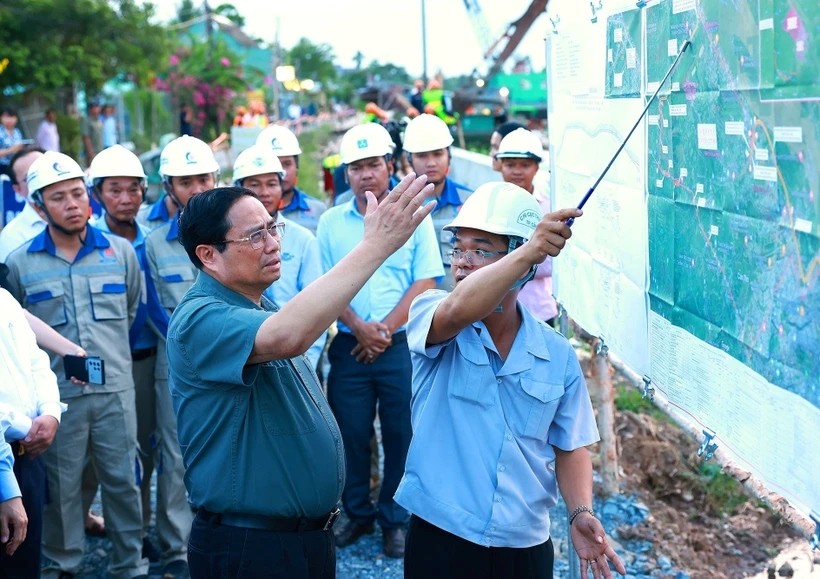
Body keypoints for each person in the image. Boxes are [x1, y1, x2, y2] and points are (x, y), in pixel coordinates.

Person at [168, 174, 435, 577]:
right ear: (208, 255)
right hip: (251, 547)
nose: (274, 244)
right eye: (256, 236)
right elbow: (291, 335)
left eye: (274, 228)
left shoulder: (259, 303)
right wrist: (375, 246)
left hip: (295, 541)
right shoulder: (200, 317)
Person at [394, 182, 626, 579]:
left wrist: (580, 511)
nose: (462, 262)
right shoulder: (432, 313)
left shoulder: (557, 354)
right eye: (458, 248)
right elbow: (458, 310)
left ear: (525, 265)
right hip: (442, 535)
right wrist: (528, 251)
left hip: (524, 545)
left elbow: (570, 446)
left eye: (481, 249)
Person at [3, 150, 148, 578]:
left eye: (77, 193)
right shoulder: (20, 263)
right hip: (58, 401)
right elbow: (17, 336)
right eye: (58, 197)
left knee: (124, 481)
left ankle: (130, 564)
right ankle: (63, 565)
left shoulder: (120, 253)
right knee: (61, 488)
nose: (72, 204)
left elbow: (132, 311)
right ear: (37, 206)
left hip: (116, 391)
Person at [317, 123, 444, 558]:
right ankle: (356, 513)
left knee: (400, 433)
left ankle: (395, 519)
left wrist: (384, 329)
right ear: (345, 174)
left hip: (399, 347)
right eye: (356, 167)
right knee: (349, 433)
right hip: (350, 346)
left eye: (373, 164)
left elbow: (425, 280)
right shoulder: (331, 222)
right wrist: (358, 325)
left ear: (390, 165)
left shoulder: (414, 215)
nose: (366, 173)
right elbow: (325, 283)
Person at [88, 145, 190, 578]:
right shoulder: (88, 238)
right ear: (98, 194)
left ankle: (174, 544)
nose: (126, 199)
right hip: (114, 364)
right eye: (115, 190)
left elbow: (154, 306)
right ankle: (132, 537)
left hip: (156, 358)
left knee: (168, 451)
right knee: (127, 457)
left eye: (134, 189)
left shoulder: (154, 235)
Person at [232, 144, 326, 369]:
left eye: (271, 184)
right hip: (247, 357)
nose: (264, 192)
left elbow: (317, 306)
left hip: (298, 357)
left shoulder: (303, 239)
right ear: (239, 189)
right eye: (254, 185)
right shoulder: (230, 242)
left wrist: (306, 364)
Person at [0, 285, 64, 577]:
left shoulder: (4, 298)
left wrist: (51, 411)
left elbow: (36, 361)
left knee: (25, 565)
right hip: (6, 459)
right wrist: (6, 490)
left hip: (27, 454)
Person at [402, 113, 473, 288]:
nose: (431, 162)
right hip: (410, 310)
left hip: (459, 305)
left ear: (449, 155)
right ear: (409, 159)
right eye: (422, 156)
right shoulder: (398, 206)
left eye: (438, 154)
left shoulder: (471, 201)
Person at [496, 128, 558, 325]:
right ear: (500, 165)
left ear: (537, 167)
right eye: (510, 164)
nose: (516, 171)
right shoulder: (489, 206)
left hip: (538, 308)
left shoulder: (548, 209)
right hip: (494, 307)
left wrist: (503, 264)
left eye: (525, 165)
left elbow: (550, 264)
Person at [255, 124, 326, 233]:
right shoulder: (246, 215)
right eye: (274, 164)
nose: (282, 172)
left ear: (296, 166)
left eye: (287, 164)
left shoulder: (317, 211)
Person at [0, 147, 45, 262]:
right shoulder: (11, 237)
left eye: (44, 172)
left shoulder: (85, 221)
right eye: (30, 178)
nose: (44, 181)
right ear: (17, 189)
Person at [0, 107, 24, 179]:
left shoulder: (17, 132)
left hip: (16, 165)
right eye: (6, 117)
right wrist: (11, 150)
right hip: (2, 167)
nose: (9, 120)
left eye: (12, 117)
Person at [81, 99, 104, 164]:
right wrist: (91, 154)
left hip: (100, 152)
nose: (98, 109)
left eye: (98, 107)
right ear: (90, 109)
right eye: (95, 107)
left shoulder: (99, 120)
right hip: (92, 154)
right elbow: (86, 138)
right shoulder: (87, 121)